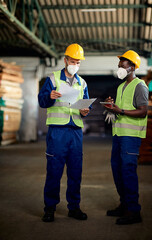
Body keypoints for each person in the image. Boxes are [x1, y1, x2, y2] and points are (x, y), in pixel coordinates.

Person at [38, 43, 90, 222]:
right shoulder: (52, 79)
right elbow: (42, 101)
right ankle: (49, 208)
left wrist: (84, 111)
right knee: (54, 170)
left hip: (75, 131)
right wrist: (49, 97)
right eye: (73, 60)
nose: (75, 64)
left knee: (76, 171)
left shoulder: (82, 82)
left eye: (78, 62)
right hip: (57, 131)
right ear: (65, 59)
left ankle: (74, 208)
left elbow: (84, 105)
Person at [104, 50, 149, 225]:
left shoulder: (140, 86)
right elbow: (119, 110)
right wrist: (111, 106)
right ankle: (125, 205)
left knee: (128, 172)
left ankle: (134, 211)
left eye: (122, 65)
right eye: (119, 66)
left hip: (131, 136)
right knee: (117, 171)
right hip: (119, 134)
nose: (120, 68)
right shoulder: (121, 86)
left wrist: (120, 110)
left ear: (132, 67)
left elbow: (143, 111)